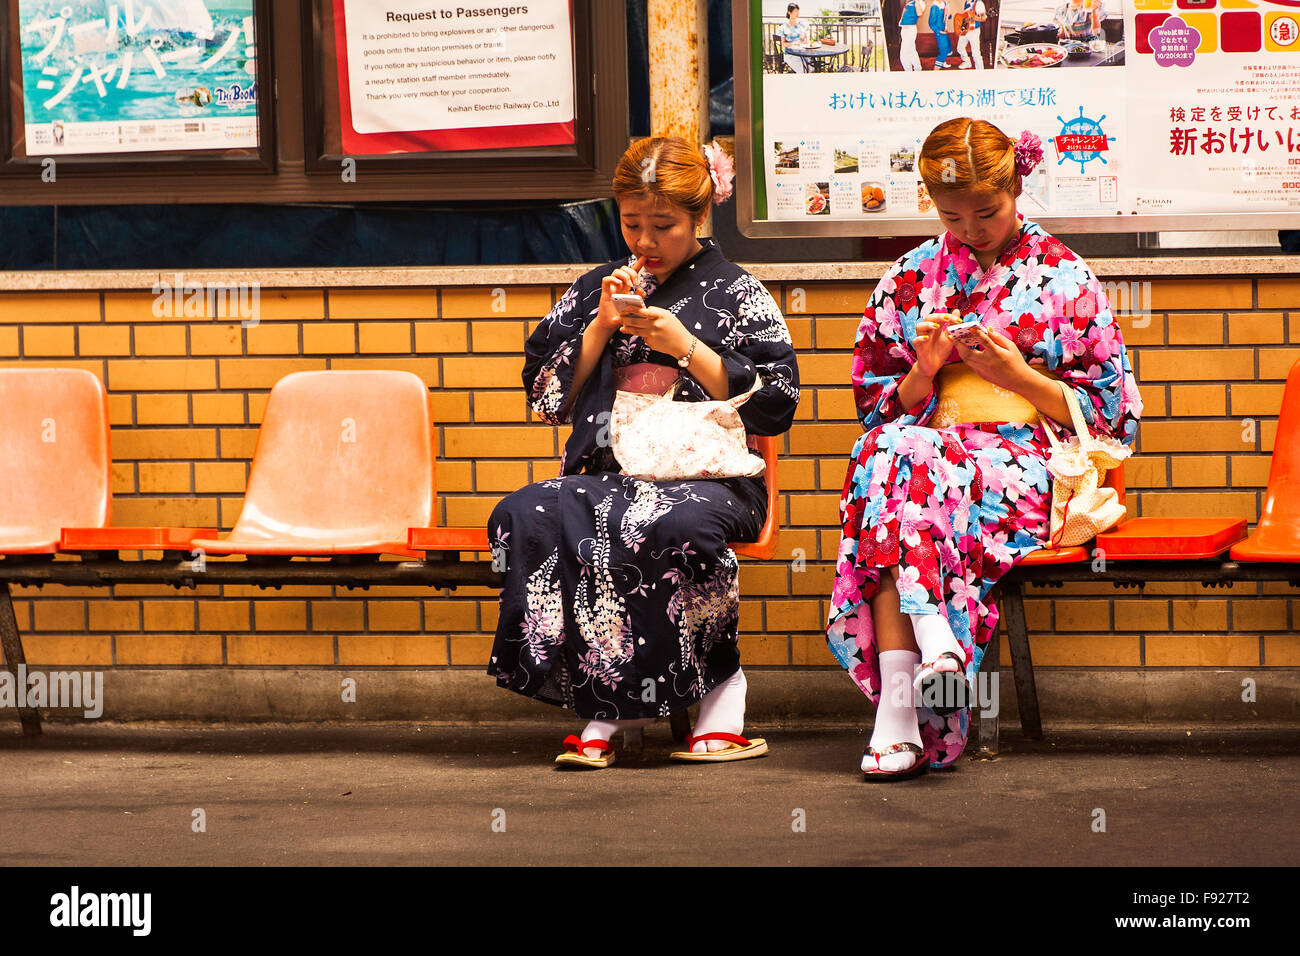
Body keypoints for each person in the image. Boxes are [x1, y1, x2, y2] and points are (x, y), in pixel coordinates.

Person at [825, 118, 1141, 780]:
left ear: (1018, 186)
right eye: (951, 215)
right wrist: (923, 369)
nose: (971, 229)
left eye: (987, 212)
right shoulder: (910, 277)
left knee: (893, 480)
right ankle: (932, 644)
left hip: (1023, 467)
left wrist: (1018, 378)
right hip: (927, 466)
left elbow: (1113, 419)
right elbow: (871, 410)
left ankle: (898, 719)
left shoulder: (1064, 275)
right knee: (893, 455)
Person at [487, 136, 801, 769]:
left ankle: (719, 691)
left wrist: (686, 346)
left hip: (709, 475)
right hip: (610, 470)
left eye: (665, 226)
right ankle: (604, 699)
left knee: (672, 521)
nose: (646, 242)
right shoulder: (592, 289)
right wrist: (599, 325)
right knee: (529, 513)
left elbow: (778, 404)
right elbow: (547, 399)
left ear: (699, 217)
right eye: (633, 224)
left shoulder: (739, 292)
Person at [780, 3, 811, 74]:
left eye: (798, 11)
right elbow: (783, 44)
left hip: (802, 52)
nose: (797, 13)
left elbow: (804, 40)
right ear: (789, 13)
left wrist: (803, 39)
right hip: (791, 54)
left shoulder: (801, 24)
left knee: (811, 67)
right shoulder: (784, 27)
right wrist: (795, 43)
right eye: (795, 11)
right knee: (804, 70)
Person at [955, 0, 987, 69]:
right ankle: (967, 62)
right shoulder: (967, 2)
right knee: (960, 48)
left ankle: (980, 71)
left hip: (974, 31)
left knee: (975, 53)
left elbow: (984, 18)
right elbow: (966, 15)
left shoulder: (978, 3)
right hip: (966, 29)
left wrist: (976, 18)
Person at [897, 0, 926, 71]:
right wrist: (901, 20)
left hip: (910, 29)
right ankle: (917, 69)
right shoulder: (910, 1)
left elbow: (919, 13)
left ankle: (909, 71)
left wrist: (917, 2)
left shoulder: (921, 2)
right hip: (905, 29)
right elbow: (905, 10)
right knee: (911, 51)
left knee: (903, 54)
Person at [927, 0, 953, 69]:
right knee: (943, 49)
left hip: (944, 30)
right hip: (940, 32)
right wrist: (939, 31)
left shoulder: (944, 3)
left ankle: (943, 62)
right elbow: (931, 23)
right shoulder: (934, 7)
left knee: (947, 47)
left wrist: (949, 13)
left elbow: (948, 17)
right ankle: (936, 71)